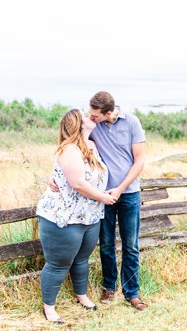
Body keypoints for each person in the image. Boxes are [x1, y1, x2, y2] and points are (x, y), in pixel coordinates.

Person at [50, 91, 148, 311]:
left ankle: (132, 293)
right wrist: (53, 175)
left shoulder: (132, 122)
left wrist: (120, 189)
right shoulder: (93, 127)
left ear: (109, 113)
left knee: (130, 245)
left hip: (128, 193)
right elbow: (68, 145)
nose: (90, 117)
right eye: (89, 114)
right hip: (101, 196)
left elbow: (140, 160)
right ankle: (109, 287)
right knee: (106, 245)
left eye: (94, 115)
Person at [36, 109, 115, 324]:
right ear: (78, 125)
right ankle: (49, 308)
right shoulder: (70, 150)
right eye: (86, 116)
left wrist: (102, 195)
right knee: (58, 263)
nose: (91, 117)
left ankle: (81, 296)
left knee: (81, 259)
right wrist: (104, 198)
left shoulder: (91, 146)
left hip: (89, 215)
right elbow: (78, 184)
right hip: (64, 216)